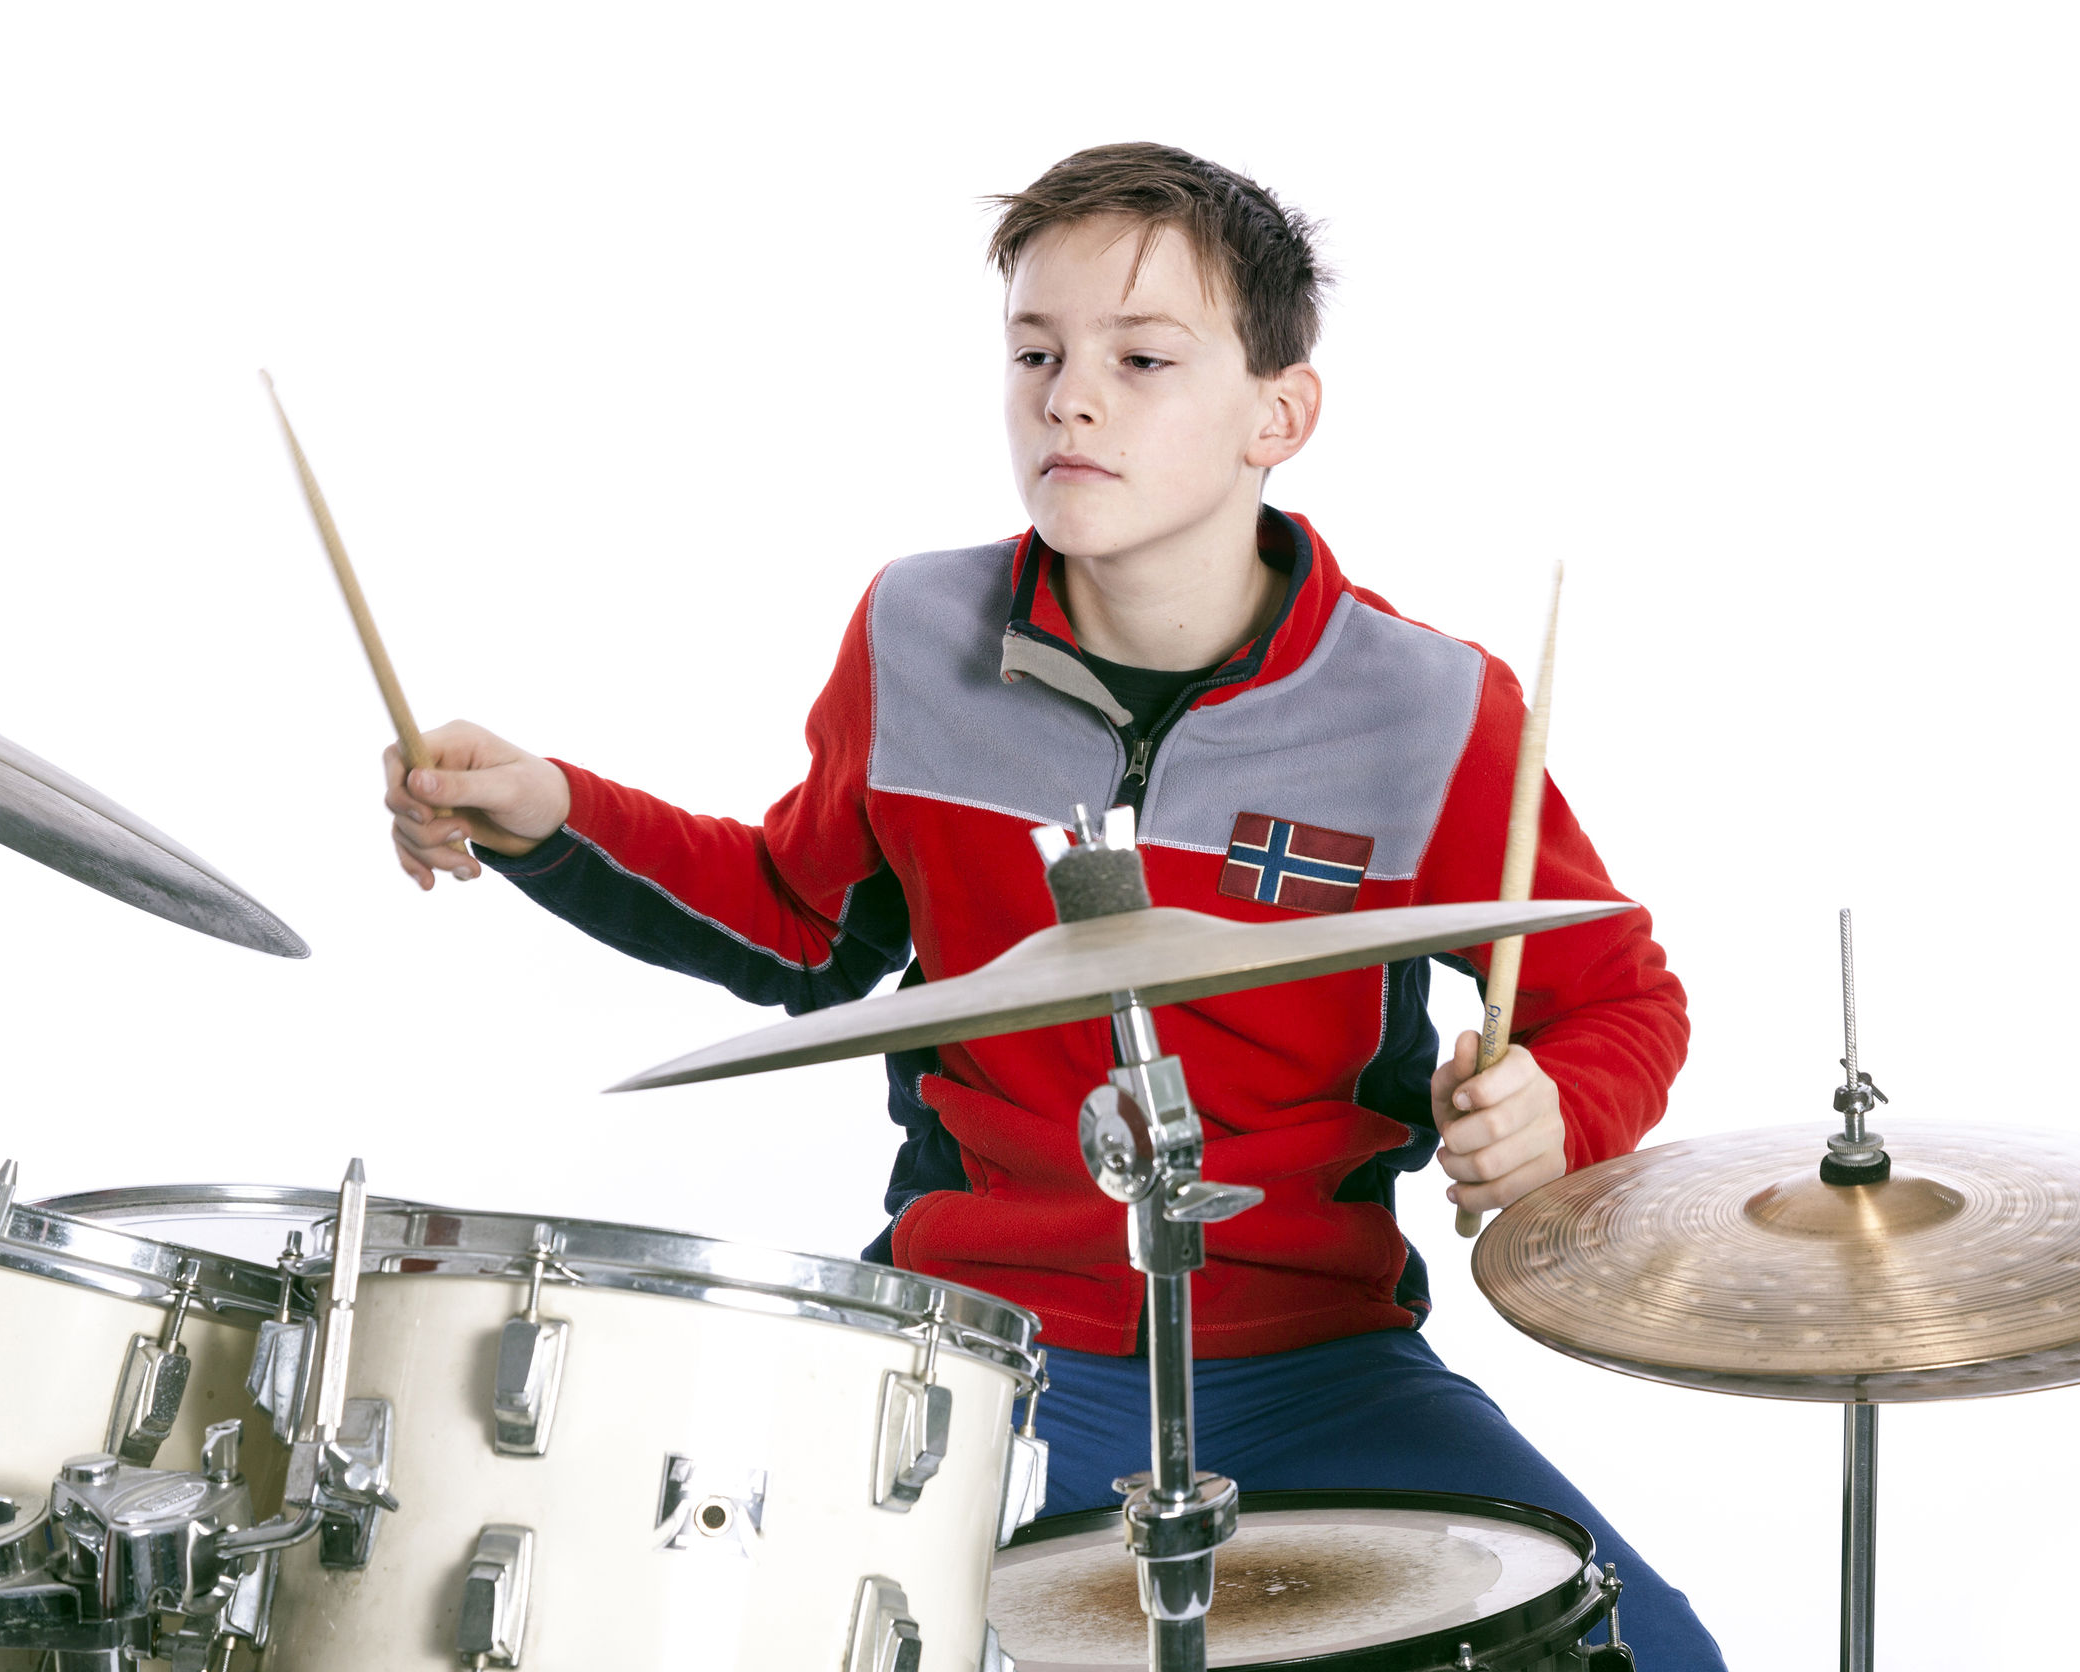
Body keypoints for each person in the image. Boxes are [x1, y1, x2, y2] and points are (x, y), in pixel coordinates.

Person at [382, 142, 1720, 1667]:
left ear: (1279, 415)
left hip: (1323, 1362)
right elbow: (800, 928)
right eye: (1036, 352)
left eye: (1141, 359)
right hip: (977, 1353)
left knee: (1651, 1651)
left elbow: (1617, 998)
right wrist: (556, 815)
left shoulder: (1431, 708)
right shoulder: (916, 628)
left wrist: (1558, 1108)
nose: (1067, 396)